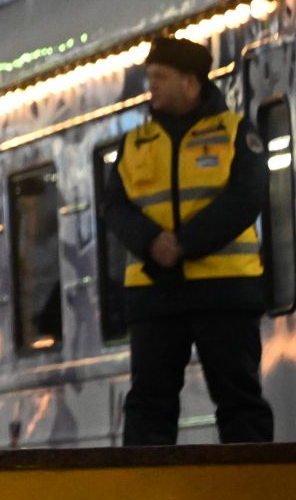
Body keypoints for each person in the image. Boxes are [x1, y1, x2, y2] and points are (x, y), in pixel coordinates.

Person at [102, 35, 273, 443]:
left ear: (191, 82)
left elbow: (247, 197)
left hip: (224, 291)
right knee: (148, 407)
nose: (152, 86)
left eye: (161, 77)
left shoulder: (234, 134)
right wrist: (149, 243)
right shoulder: (134, 145)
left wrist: (183, 244)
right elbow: (115, 207)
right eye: (150, 77)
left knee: (238, 402)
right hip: (155, 296)